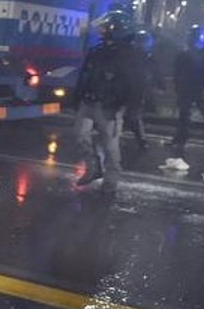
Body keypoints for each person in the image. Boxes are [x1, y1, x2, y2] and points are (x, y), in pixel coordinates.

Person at [72, 10, 139, 193]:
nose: (101, 30)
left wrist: (129, 107)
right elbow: (86, 75)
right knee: (80, 134)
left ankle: (111, 180)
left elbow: (134, 84)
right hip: (89, 101)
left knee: (110, 145)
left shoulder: (128, 54)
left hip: (110, 106)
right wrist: (78, 96)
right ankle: (93, 168)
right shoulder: (98, 50)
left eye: (105, 27)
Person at [168, 24, 204, 171]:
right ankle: (180, 140)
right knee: (202, 116)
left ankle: (180, 140)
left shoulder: (189, 54)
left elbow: (178, 73)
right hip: (197, 89)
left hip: (193, 89)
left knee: (188, 116)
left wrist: (180, 87)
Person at [126, 29, 162, 150]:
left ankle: (141, 140)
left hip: (138, 90)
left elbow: (156, 73)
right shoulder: (130, 55)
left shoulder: (148, 57)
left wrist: (159, 85)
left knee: (134, 116)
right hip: (128, 88)